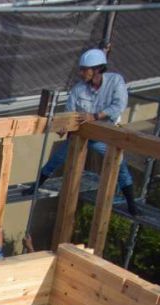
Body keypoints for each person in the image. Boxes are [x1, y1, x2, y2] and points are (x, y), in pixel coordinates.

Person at [29, 48, 139, 216]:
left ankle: (132, 204)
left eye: (84, 70)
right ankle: (36, 186)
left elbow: (118, 106)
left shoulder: (115, 81)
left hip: (104, 136)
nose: (81, 73)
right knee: (57, 159)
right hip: (81, 135)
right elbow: (69, 113)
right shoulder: (78, 90)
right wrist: (64, 127)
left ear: (97, 69)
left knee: (119, 165)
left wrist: (94, 116)